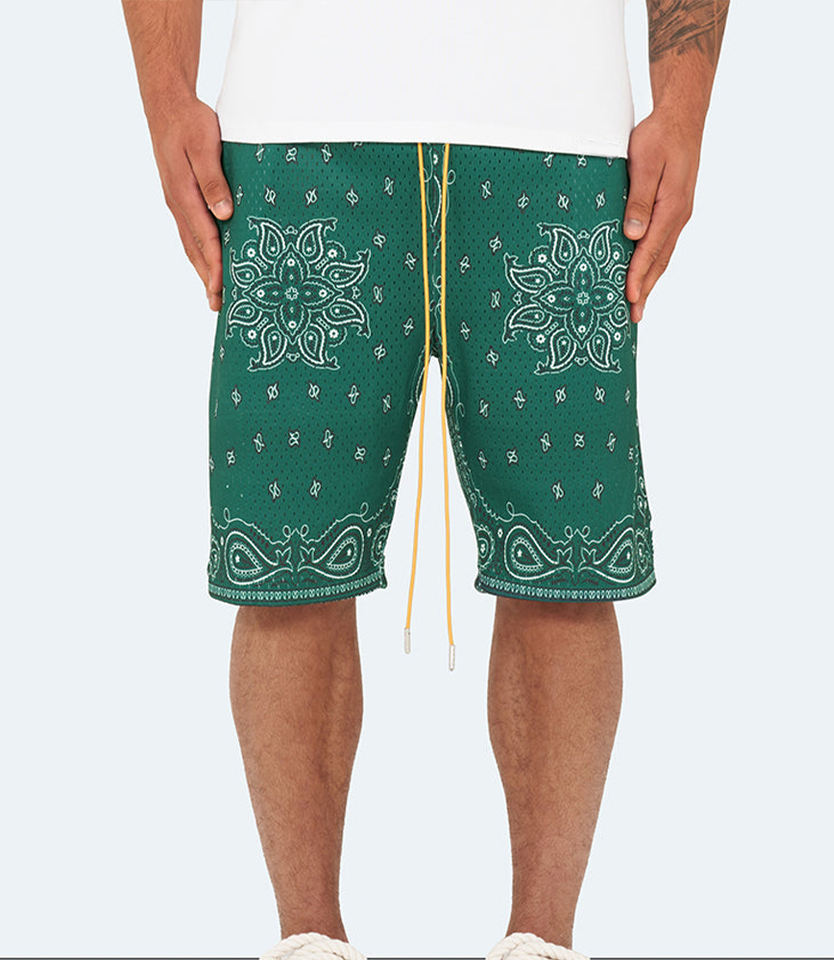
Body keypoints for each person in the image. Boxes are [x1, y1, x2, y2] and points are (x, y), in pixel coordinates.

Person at [121, 1, 728, 958]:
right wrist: (165, 98)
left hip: (562, 129)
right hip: (294, 128)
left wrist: (683, 108)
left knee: (568, 560)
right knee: (286, 562)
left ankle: (543, 944)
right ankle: (307, 942)